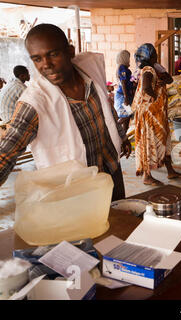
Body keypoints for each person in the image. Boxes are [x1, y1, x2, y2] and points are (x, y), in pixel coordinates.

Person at [0, 24, 132, 201]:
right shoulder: (35, 102)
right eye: (37, 59)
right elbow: (7, 152)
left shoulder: (90, 71)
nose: (46, 65)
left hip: (111, 169)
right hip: (77, 189)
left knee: (121, 222)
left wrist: (121, 137)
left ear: (70, 52)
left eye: (53, 54)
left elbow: (106, 108)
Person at [131, 43, 181, 186]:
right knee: (148, 143)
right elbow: (147, 87)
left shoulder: (155, 69)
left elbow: (170, 79)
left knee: (163, 141)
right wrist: (155, 97)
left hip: (158, 114)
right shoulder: (148, 70)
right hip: (149, 115)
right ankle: (147, 176)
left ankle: (170, 170)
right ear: (149, 56)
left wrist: (162, 74)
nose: (156, 56)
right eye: (154, 54)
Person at [114, 50, 134, 133]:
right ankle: (113, 128)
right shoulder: (122, 68)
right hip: (123, 96)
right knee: (127, 114)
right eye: (128, 58)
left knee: (128, 116)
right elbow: (123, 83)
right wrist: (126, 98)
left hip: (125, 95)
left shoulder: (125, 68)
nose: (129, 60)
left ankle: (124, 134)